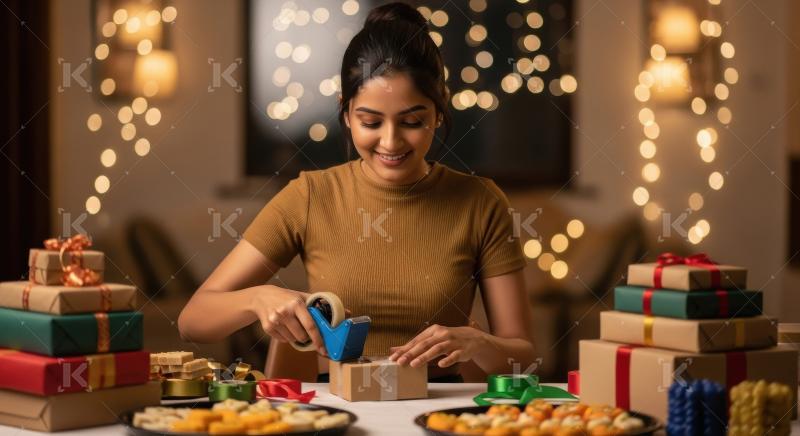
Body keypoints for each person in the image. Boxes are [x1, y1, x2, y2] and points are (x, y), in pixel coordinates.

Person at [178, 1, 536, 383]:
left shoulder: (481, 202)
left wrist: (477, 342)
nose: (391, 141)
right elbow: (193, 321)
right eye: (371, 121)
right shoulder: (310, 196)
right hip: (333, 407)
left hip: (437, 408)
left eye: (412, 121)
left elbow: (524, 360)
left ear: (439, 112)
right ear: (346, 114)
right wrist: (256, 298)